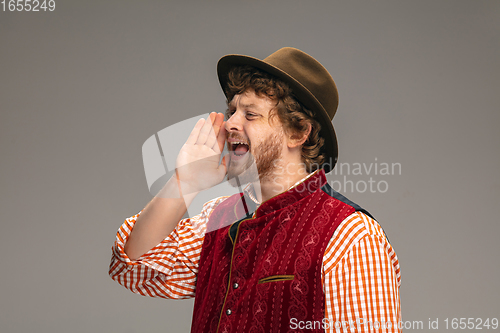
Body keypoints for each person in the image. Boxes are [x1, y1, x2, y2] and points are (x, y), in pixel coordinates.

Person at [109, 47, 401, 332]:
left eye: (250, 115)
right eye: (232, 111)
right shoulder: (219, 218)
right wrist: (184, 182)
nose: (230, 123)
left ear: (298, 133)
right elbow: (134, 266)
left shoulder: (351, 237)